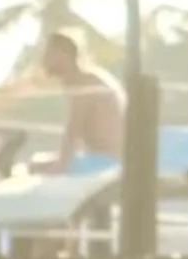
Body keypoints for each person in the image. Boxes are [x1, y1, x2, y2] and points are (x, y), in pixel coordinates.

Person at [38, 31, 125, 167]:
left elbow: (73, 129)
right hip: (104, 157)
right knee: (38, 161)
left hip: (108, 161)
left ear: (63, 54)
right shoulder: (83, 78)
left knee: (35, 167)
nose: (43, 59)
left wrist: (61, 164)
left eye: (49, 53)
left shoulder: (84, 82)